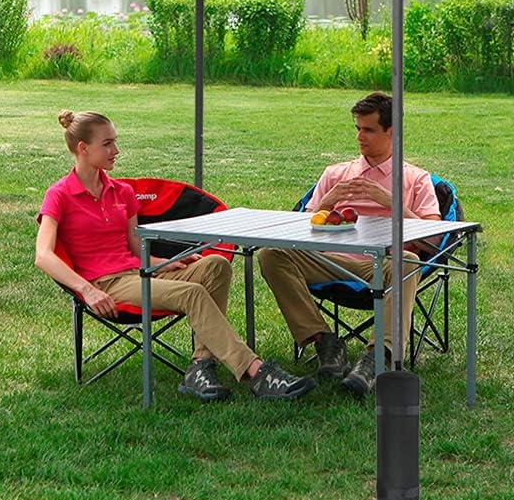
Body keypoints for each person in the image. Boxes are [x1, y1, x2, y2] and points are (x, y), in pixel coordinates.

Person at [35, 110, 315, 402]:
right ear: (83, 148)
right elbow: (43, 255)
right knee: (192, 293)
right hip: (107, 283)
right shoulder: (59, 194)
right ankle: (256, 372)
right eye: (107, 144)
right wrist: (87, 290)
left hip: (138, 272)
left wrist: (164, 264)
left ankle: (200, 367)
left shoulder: (122, 192)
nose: (115, 150)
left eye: (115, 142)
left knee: (215, 265)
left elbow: (134, 249)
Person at [257, 92, 441, 397]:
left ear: (392, 132)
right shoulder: (335, 174)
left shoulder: (415, 179)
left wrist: (391, 203)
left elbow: (436, 237)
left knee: (407, 261)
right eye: (357, 128)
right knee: (270, 254)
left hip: (382, 266)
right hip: (329, 261)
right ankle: (325, 342)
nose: (359, 136)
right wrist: (328, 201)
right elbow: (295, 231)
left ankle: (377, 358)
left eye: (368, 129)